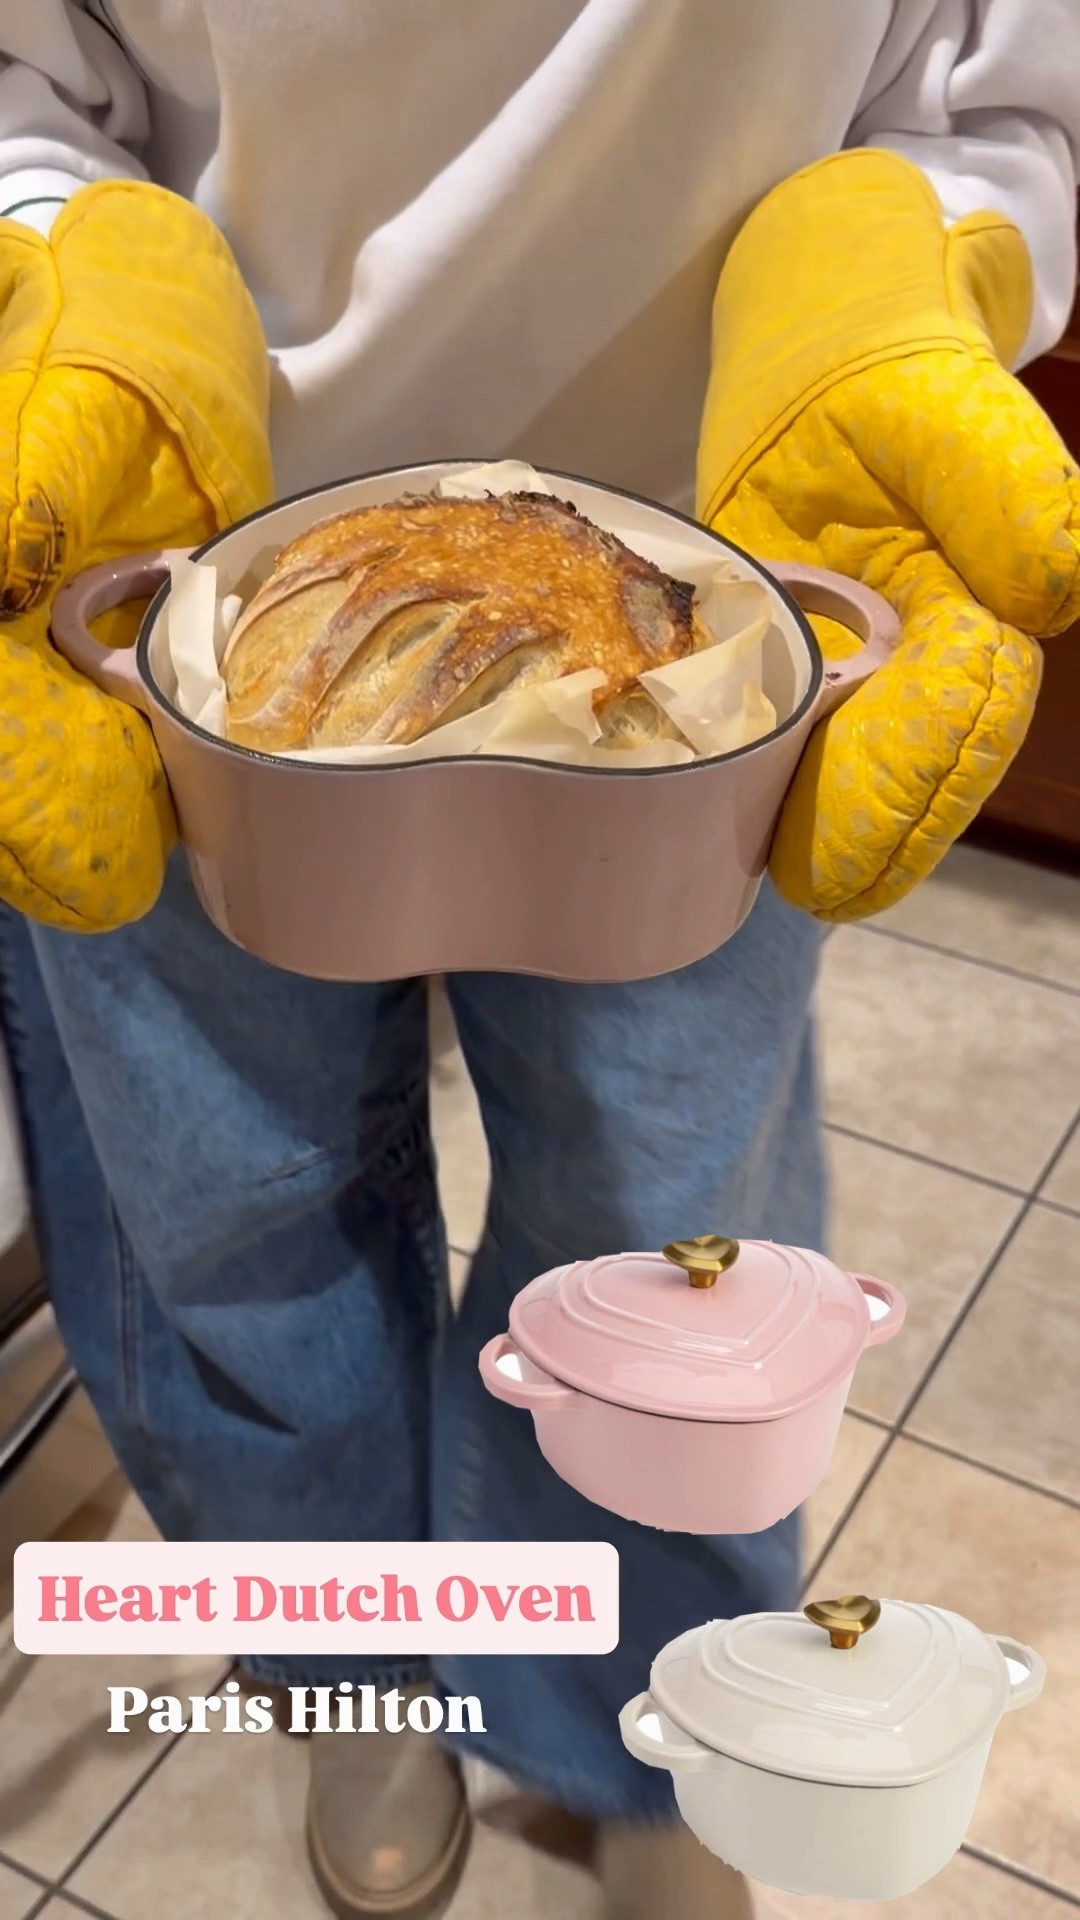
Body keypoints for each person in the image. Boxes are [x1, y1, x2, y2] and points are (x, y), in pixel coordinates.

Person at [0, 4, 1077, 1916]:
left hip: (715, 592)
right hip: (187, 561)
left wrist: (903, 277)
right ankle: (354, 1669)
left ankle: (659, 1723)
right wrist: (68, 293)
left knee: (673, 1247)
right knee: (230, 1233)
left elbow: (990, 103)